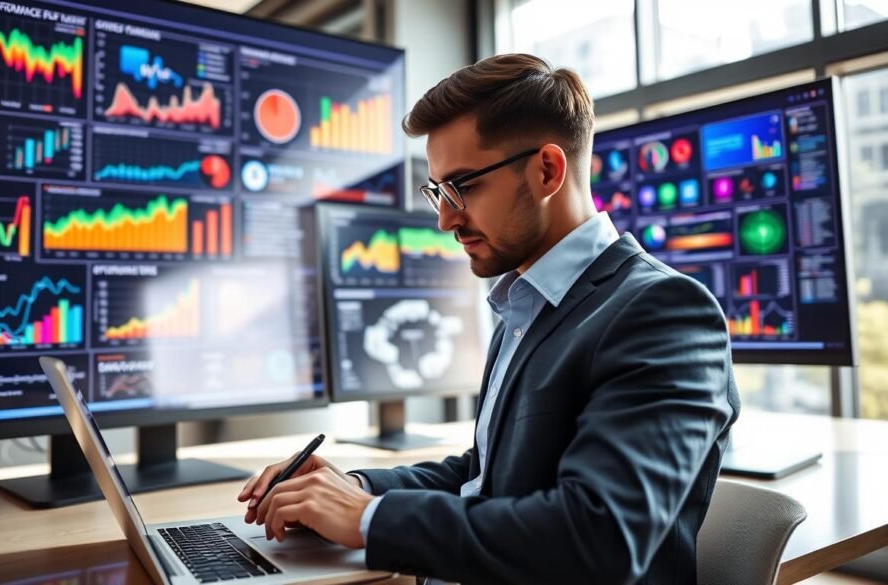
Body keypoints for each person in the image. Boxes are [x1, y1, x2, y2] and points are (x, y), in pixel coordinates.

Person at [237, 53, 740, 584]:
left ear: (547, 170)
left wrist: (367, 519)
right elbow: (484, 476)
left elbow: (601, 537)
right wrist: (355, 489)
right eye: (437, 191)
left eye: (463, 186)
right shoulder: (525, 306)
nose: (445, 218)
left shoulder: (663, 312)